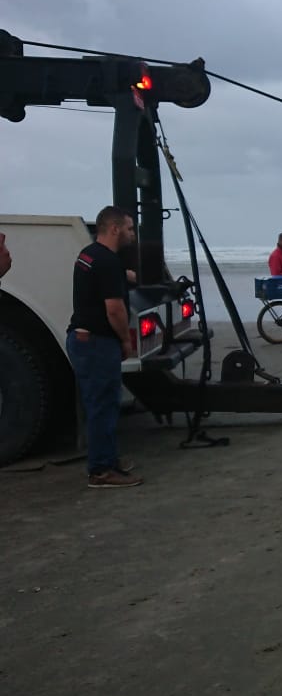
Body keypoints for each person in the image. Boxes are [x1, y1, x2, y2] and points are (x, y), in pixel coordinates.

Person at [65, 206, 142, 488]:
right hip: (97, 342)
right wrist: (125, 339)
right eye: (130, 229)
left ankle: (107, 458)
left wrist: (125, 276)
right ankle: (100, 471)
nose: (133, 234)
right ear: (114, 229)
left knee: (102, 404)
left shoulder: (90, 254)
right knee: (103, 406)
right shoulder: (107, 262)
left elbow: (104, 277)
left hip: (82, 339)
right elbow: (114, 310)